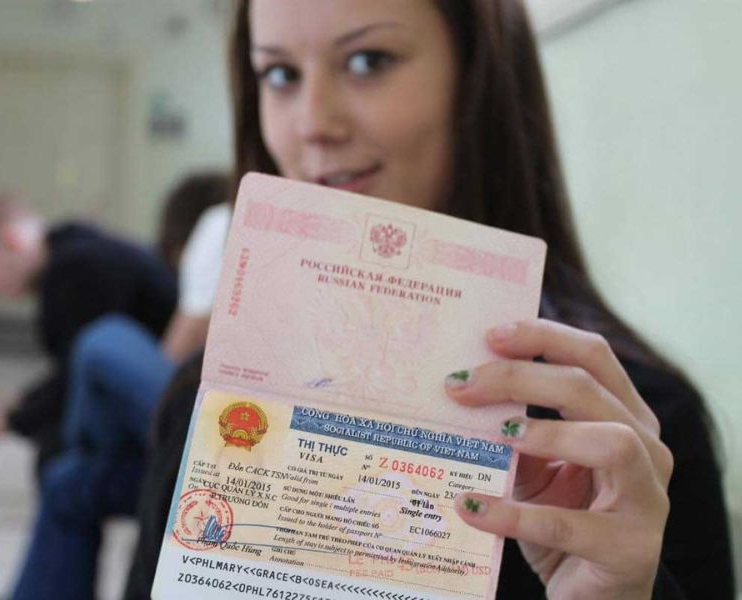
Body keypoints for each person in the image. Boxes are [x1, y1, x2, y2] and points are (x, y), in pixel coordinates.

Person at [125, 1, 735, 599]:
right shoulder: (209, 397)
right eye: (280, 74)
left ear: (479, 83)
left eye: (368, 60)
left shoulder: (628, 434)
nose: (312, 121)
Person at [9, 173, 232, 599]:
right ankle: (85, 450)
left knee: (102, 340)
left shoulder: (223, 223)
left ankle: (85, 446)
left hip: (220, 439)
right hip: (223, 438)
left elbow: (173, 374)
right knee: (68, 480)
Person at [0, 185, 178, 477]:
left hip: (176, 417)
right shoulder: (71, 251)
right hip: (168, 403)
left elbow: (77, 377)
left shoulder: (74, 270)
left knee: (58, 462)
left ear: (13, 240)